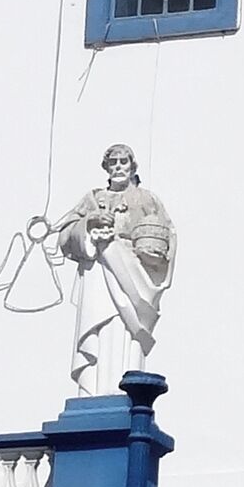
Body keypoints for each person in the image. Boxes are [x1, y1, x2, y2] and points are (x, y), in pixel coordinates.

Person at [58, 144, 178, 385]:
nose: (118, 167)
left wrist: (149, 254)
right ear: (107, 167)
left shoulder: (147, 199)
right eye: (113, 163)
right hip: (97, 273)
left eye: (123, 162)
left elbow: (167, 237)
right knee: (98, 327)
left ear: (132, 166)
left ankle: (124, 386)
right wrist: (90, 221)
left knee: (127, 331)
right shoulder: (92, 199)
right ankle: (93, 386)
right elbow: (64, 237)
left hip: (131, 274)